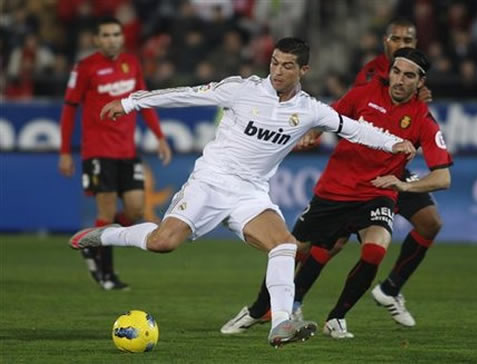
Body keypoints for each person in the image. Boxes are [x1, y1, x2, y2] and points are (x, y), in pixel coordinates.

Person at [67, 37, 415, 347]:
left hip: (250, 192)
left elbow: (354, 129)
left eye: (287, 66)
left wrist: (394, 143)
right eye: (274, 63)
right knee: (163, 242)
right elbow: (185, 95)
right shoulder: (242, 89)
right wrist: (130, 103)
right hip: (210, 181)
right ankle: (108, 234)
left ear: (304, 70)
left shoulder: (310, 110)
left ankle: (280, 324)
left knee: (285, 245)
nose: (277, 71)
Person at [222, 18, 446, 332]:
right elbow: (331, 116)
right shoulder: (367, 86)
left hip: (378, 189)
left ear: (420, 81)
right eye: (397, 71)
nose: (399, 79)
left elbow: (443, 176)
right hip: (336, 188)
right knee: (298, 248)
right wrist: (313, 132)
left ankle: (338, 316)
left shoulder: (423, 116)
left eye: (409, 75)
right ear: (387, 52)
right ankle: (262, 308)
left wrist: (401, 185)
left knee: (375, 248)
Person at [59, 16, 172, 290]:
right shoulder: (85, 67)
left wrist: (159, 136)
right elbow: (69, 108)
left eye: (116, 35)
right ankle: (107, 274)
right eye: (106, 35)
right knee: (106, 213)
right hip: (98, 151)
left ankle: (92, 242)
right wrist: (65, 151)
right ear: (96, 40)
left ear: (122, 38)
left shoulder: (131, 63)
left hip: (126, 150)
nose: (111, 40)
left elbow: (142, 102)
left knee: (134, 210)